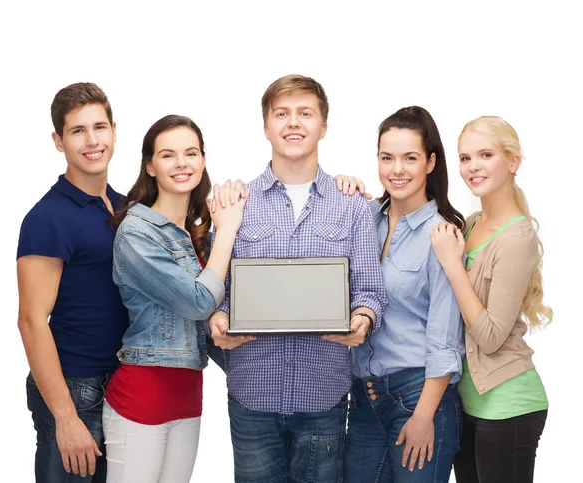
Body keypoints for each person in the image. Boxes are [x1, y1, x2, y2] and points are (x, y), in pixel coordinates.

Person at [208, 74, 387, 483]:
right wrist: (216, 318)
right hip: (252, 393)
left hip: (323, 393)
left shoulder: (352, 207)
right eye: (282, 114)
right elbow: (217, 289)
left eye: (305, 113)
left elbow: (370, 291)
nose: (293, 123)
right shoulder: (235, 204)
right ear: (266, 126)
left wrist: (363, 317)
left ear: (323, 126)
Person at [102, 115, 251, 483]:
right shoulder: (137, 233)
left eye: (191, 152)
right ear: (150, 166)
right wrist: (228, 228)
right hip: (141, 396)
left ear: (203, 160)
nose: (181, 163)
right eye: (168, 155)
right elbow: (199, 301)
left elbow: (210, 312)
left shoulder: (195, 232)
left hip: (188, 396)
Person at [338, 106, 465, 483]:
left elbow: (446, 338)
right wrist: (339, 182)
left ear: (430, 162)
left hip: (418, 396)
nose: (397, 170)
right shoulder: (363, 218)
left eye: (409, 158)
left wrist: (425, 415)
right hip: (362, 398)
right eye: (386, 158)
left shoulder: (441, 236)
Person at [17, 82, 129, 482]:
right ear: (58, 141)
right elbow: (31, 320)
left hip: (121, 385)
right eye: (77, 131)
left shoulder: (123, 206)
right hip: (74, 388)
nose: (92, 140)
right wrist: (65, 417)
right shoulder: (49, 217)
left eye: (99, 127)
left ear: (114, 131)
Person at [430, 116, 551, 483]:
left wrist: (453, 266)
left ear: (513, 161)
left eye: (485, 154)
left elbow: (492, 335)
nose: (473, 167)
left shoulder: (517, 238)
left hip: (509, 405)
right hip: (469, 404)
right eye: (465, 158)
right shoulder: (470, 223)